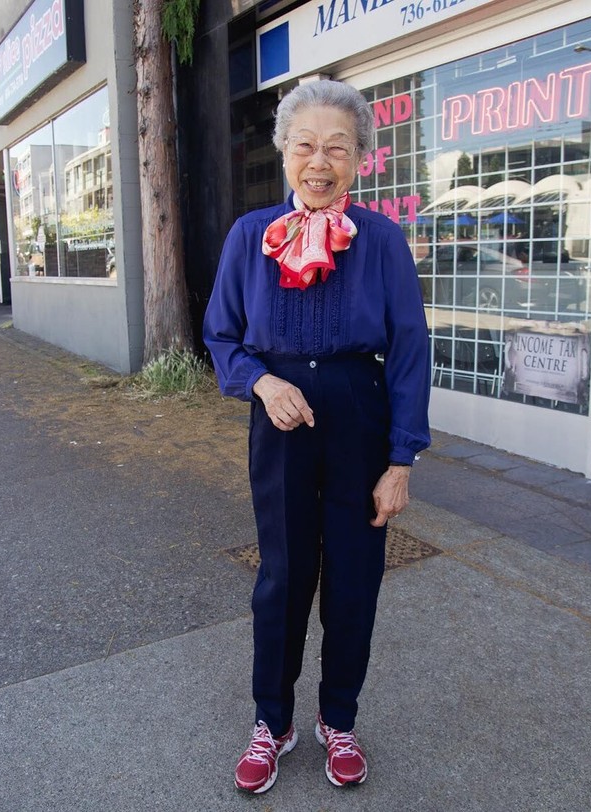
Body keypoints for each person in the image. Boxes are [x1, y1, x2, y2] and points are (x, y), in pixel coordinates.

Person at [203, 79, 430, 794]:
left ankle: (339, 719)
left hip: (359, 417)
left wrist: (402, 458)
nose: (320, 160)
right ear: (284, 151)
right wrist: (262, 384)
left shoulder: (384, 239)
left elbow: (410, 348)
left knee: (356, 578)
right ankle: (272, 721)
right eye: (306, 144)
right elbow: (221, 335)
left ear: (361, 158)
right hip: (280, 422)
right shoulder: (249, 236)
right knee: (282, 577)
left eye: (338, 146)